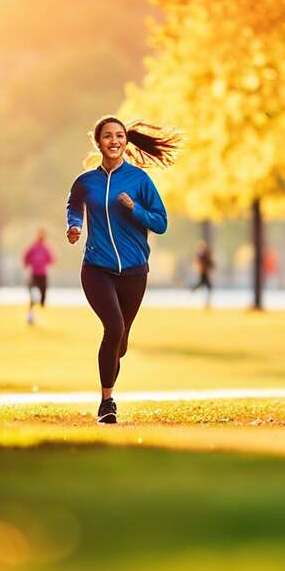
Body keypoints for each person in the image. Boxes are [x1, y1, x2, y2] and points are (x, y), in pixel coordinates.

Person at [66, 115, 178, 424]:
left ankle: (116, 353)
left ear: (125, 142)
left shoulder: (140, 181)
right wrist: (74, 226)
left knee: (121, 341)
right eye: (107, 136)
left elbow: (161, 223)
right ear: (98, 142)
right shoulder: (86, 181)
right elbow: (74, 205)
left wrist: (135, 208)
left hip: (134, 271)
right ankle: (107, 401)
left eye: (119, 136)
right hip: (96, 268)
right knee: (113, 328)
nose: (113, 141)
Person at [22, 229, 54, 325]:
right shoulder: (33, 247)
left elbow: (51, 259)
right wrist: (28, 263)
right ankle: (30, 315)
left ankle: (40, 305)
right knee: (33, 295)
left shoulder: (45, 248)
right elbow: (26, 256)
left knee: (43, 297)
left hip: (43, 275)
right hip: (34, 275)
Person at [190, 240, 214, 309]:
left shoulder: (204, 254)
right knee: (206, 286)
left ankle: (207, 303)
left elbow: (209, 263)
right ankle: (192, 291)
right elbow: (200, 263)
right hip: (204, 273)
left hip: (204, 272)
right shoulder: (201, 254)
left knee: (203, 285)